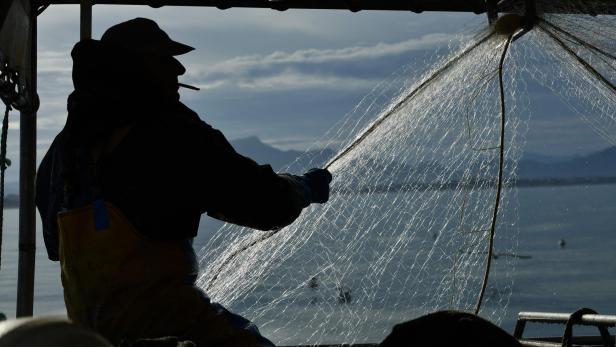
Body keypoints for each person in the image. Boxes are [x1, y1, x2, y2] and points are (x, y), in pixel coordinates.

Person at [35, 18, 332, 347]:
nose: (180, 70)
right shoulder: (169, 133)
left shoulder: (60, 153)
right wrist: (302, 188)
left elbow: (55, 248)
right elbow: (264, 203)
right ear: (134, 69)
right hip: (175, 333)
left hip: (93, 341)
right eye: (164, 59)